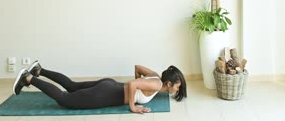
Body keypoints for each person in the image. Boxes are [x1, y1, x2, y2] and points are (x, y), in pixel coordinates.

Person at [12, 61, 187, 113]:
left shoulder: (156, 76)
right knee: (65, 99)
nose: (177, 90)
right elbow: (134, 84)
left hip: (110, 85)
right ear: (169, 84)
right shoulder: (156, 84)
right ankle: (28, 78)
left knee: (72, 86)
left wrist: (135, 91)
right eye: (178, 87)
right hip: (108, 94)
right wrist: (133, 106)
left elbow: (137, 68)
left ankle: (38, 70)